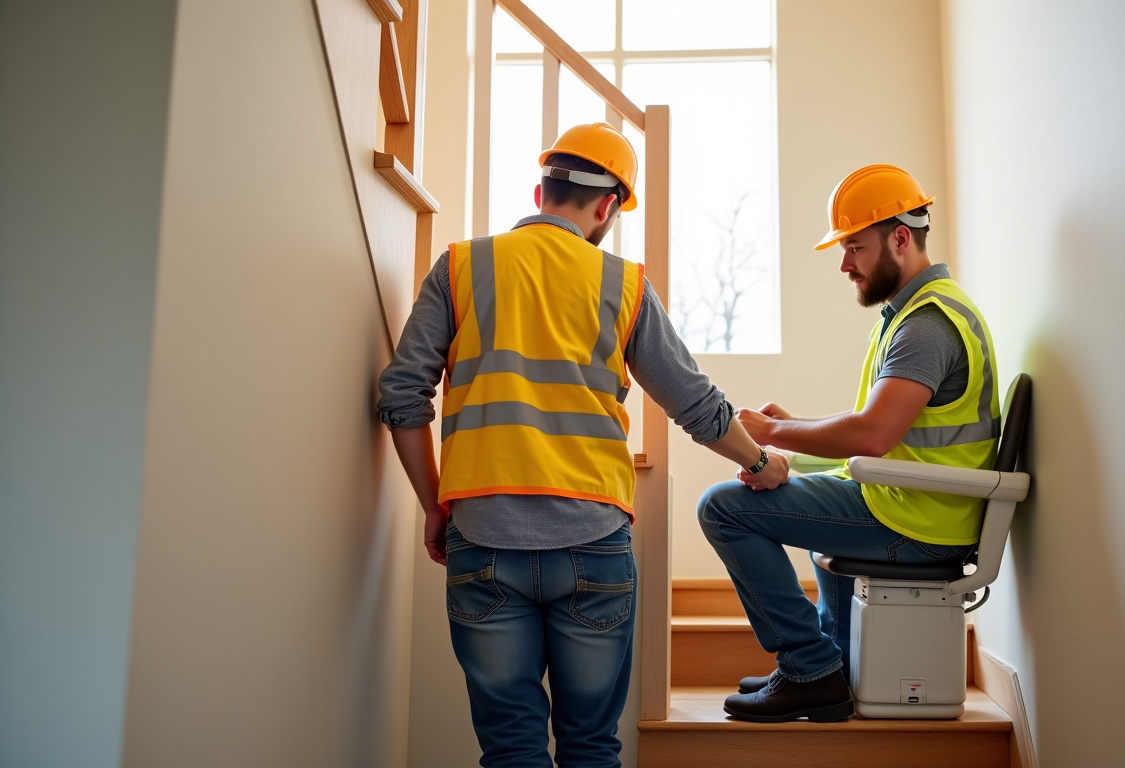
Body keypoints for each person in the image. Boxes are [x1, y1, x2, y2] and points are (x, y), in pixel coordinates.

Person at [377, 122, 790, 768]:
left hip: (482, 534)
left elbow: (402, 396)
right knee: (592, 747)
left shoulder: (460, 266)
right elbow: (694, 402)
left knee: (511, 749)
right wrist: (760, 462)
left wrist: (434, 503)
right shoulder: (622, 284)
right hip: (592, 541)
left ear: (540, 192)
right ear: (607, 207)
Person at [696, 164, 1000, 723]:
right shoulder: (910, 315)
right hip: (916, 506)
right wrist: (795, 437)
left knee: (722, 508)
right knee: (812, 521)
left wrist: (771, 434)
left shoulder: (926, 326)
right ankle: (828, 668)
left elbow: (873, 435)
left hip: (918, 521)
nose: (845, 264)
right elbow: (876, 429)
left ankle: (810, 670)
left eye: (855, 247)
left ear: (901, 238)